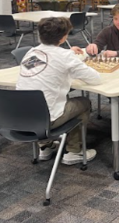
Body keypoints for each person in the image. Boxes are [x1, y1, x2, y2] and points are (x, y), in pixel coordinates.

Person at [16, 17, 102, 165]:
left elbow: (49, 60)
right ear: (63, 37)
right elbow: (95, 79)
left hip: (19, 118)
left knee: (45, 97)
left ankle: (44, 147)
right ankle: (74, 152)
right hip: (47, 119)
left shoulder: (32, 52)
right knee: (83, 103)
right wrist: (70, 57)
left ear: (40, 35)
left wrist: (68, 54)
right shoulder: (65, 56)